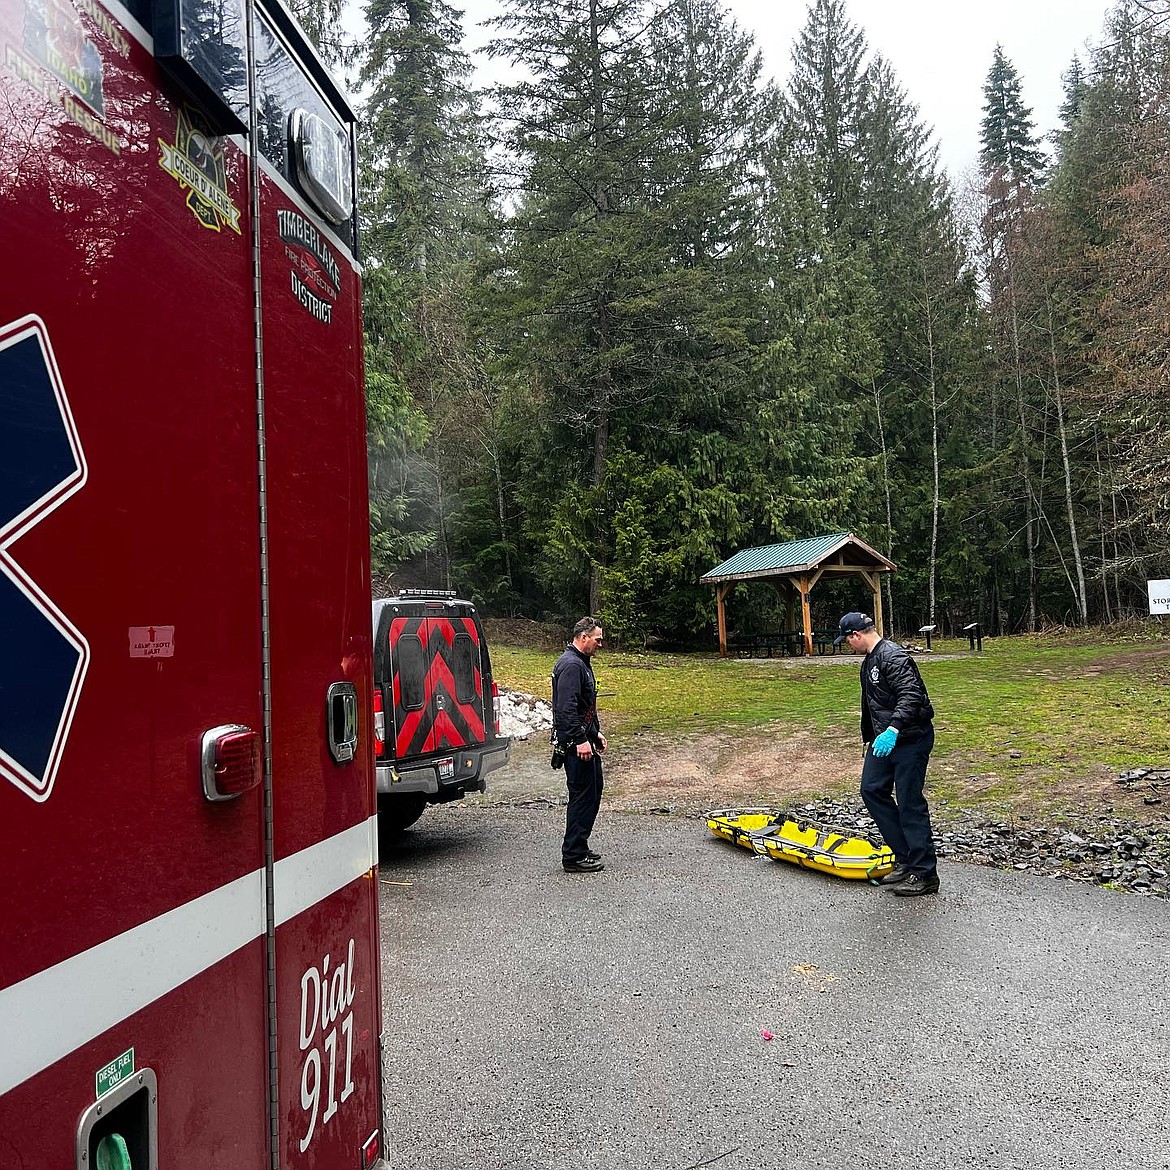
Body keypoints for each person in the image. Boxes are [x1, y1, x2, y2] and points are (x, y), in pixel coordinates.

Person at [834, 611, 940, 896]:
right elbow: (874, 705)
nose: (847, 646)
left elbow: (912, 694)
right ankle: (904, 857)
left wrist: (893, 729)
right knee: (871, 789)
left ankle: (925, 874)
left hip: (910, 738)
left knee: (909, 803)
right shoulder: (869, 660)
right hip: (884, 741)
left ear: (856, 635)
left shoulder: (892, 656)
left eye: (846, 640)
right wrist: (873, 738)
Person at [552, 617, 608, 873]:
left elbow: (585, 705)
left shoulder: (581, 663)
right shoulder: (571, 665)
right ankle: (573, 856)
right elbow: (565, 709)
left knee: (592, 792)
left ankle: (580, 845)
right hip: (576, 746)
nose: (600, 643)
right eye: (597, 639)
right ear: (583, 637)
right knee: (582, 797)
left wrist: (595, 734)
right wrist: (579, 740)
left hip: (585, 739)